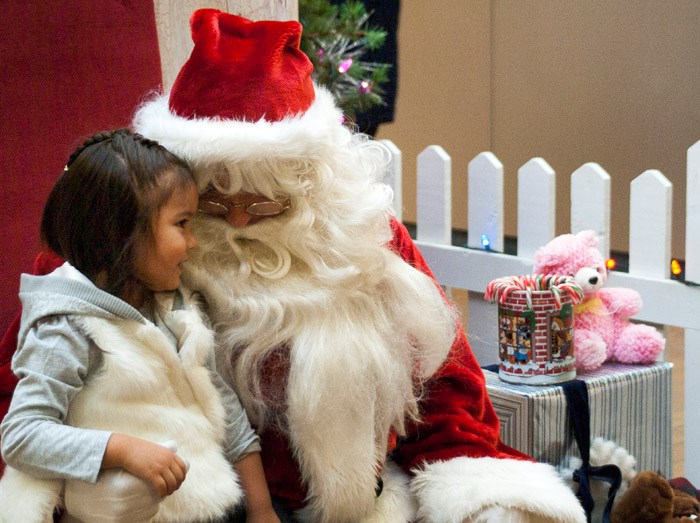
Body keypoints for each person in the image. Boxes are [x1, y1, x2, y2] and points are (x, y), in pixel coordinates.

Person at [129, 9, 587, 522]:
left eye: (264, 204)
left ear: (309, 180)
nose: (237, 219)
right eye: (215, 200)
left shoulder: (362, 234)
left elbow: (442, 383)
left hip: (359, 502)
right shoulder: (137, 240)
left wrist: (468, 474)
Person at [0, 129, 279, 522]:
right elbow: (22, 436)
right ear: (121, 231)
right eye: (182, 223)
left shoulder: (176, 307)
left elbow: (225, 409)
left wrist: (262, 510)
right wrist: (121, 449)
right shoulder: (67, 325)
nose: (193, 242)